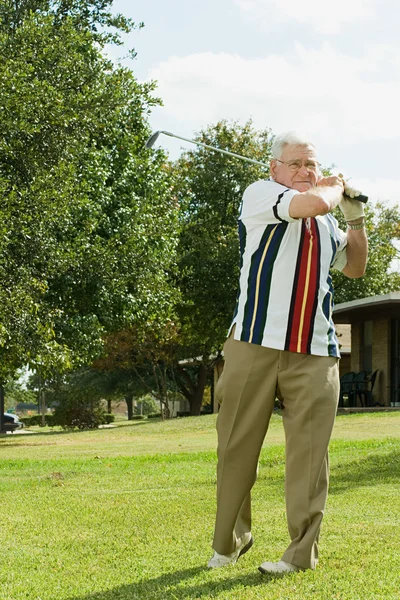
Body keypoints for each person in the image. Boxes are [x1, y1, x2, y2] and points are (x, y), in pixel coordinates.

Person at [207, 131, 368, 574]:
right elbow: (311, 203)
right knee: (236, 448)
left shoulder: (328, 219)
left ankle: (299, 555)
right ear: (274, 169)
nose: (304, 171)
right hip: (253, 343)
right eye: (295, 163)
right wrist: (334, 186)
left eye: (311, 165)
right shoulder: (261, 195)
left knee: (310, 458)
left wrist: (354, 220)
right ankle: (229, 542)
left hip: (315, 353)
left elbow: (355, 268)